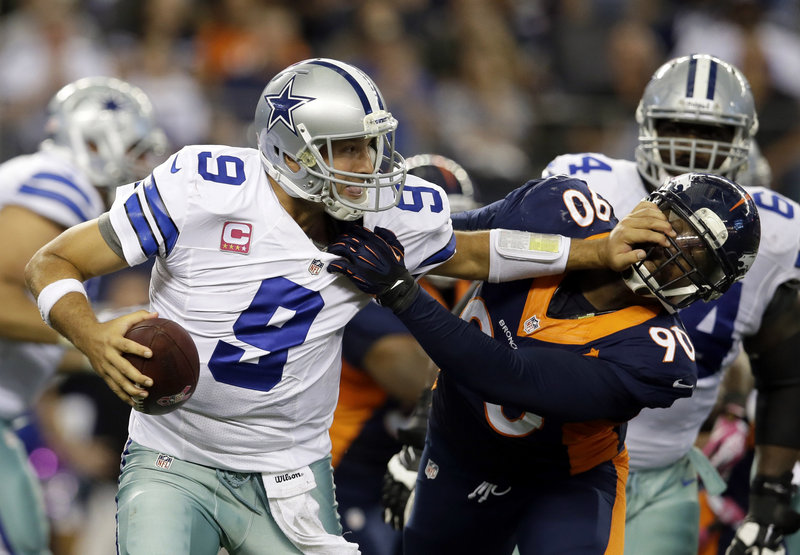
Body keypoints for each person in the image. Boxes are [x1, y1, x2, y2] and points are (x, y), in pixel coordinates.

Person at [23, 58, 669, 555]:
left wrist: (597, 251)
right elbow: (51, 260)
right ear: (287, 148)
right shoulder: (203, 187)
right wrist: (93, 335)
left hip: (289, 471)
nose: (366, 164)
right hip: (174, 452)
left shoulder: (386, 211)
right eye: (346, 148)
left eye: (370, 144)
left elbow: (476, 250)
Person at [328, 171, 761, 554]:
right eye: (675, 228)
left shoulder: (657, 354)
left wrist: (402, 292)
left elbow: (507, 375)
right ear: (649, 207)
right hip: (458, 447)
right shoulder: (561, 208)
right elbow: (444, 241)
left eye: (696, 257)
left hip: (562, 483)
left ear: (710, 287)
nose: (673, 253)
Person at [541, 53, 800, 554]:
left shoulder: (775, 230)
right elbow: (496, 306)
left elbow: (786, 371)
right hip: (551, 464)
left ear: (743, 141)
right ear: (646, 127)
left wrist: (768, 492)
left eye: (714, 135)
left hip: (665, 479)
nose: (693, 146)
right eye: (677, 125)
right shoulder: (584, 183)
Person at [0, 76, 165, 555]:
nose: (144, 164)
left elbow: (45, 337)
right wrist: (94, 330)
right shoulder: (62, 186)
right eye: (135, 148)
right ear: (92, 143)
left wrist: (118, 344)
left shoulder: (55, 184)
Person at [331, 155, 477, 554]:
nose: (439, 235)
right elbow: (419, 380)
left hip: (434, 466)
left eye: (453, 223)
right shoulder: (362, 282)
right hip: (350, 476)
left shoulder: (472, 287)